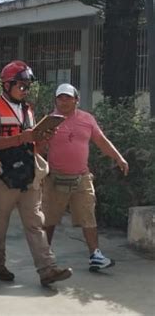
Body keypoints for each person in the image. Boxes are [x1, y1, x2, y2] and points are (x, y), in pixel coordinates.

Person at [0, 60, 72, 286]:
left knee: (35, 223)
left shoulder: (28, 110)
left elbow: (33, 142)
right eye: (20, 85)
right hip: (3, 175)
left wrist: (41, 137)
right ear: (7, 85)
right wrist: (22, 137)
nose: (25, 90)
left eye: (27, 86)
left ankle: (47, 269)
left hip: (28, 173)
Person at [41, 83, 129, 271]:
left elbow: (101, 141)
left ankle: (95, 255)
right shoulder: (49, 121)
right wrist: (38, 171)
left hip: (82, 177)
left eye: (67, 98)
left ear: (76, 100)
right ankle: (43, 255)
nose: (63, 101)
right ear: (55, 100)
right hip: (55, 178)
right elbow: (38, 149)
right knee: (49, 218)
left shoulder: (87, 119)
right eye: (60, 98)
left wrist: (119, 157)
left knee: (88, 216)